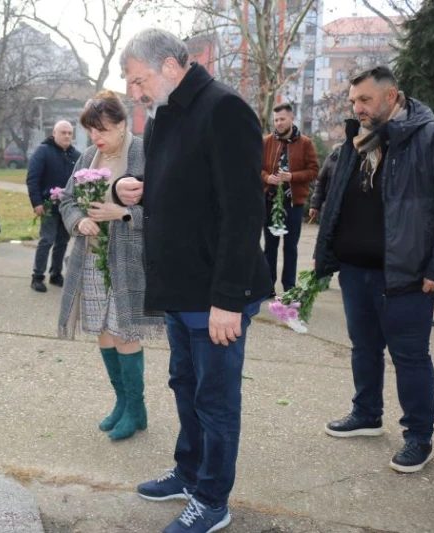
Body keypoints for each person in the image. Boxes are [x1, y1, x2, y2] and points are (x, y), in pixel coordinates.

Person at [114, 29, 271, 533]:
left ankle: (212, 499)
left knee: (215, 400)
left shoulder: (224, 109)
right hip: (180, 289)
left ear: (170, 67)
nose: (134, 93)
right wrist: (131, 189)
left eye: (138, 80)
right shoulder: (163, 117)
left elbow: (244, 212)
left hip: (216, 294)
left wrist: (229, 299)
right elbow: (176, 189)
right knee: (185, 385)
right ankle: (189, 472)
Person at [314, 66, 434, 474]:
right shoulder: (355, 144)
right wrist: (329, 257)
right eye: (353, 101)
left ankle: (418, 437)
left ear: (392, 97)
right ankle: (367, 414)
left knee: (410, 357)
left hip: (409, 277)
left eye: (365, 100)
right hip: (356, 272)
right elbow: (336, 201)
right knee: (364, 348)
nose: (357, 109)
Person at [58, 91, 164, 442]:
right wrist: (79, 222)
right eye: (90, 130)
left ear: (121, 124)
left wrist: (121, 214)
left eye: (101, 129)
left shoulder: (143, 153)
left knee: (124, 332)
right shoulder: (90, 156)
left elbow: (164, 207)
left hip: (129, 260)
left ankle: (137, 408)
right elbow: (69, 199)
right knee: (103, 332)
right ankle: (122, 403)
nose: (95, 137)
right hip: (92, 258)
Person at [261, 103, 319, 294]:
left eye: (282, 119)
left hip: (294, 203)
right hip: (270, 201)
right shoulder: (266, 141)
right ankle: (268, 286)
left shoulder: (306, 143)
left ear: (292, 118)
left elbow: (313, 171)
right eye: (276, 120)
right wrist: (267, 177)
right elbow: (255, 167)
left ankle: (289, 286)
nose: (278, 123)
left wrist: (293, 177)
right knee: (270, 246)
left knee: (290, 247)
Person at [26, 120, 81, 292]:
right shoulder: (43, 152)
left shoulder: (76, 155)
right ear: (54, 133)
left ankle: (56, 273)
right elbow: (32, 179)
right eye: (63, 132)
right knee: (47, 240)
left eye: (69, 133)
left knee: (63, 242)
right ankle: (37, 276)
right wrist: (37, 203)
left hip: (68, 206)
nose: (66, 136)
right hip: (48, 205)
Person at [308, 143, 342, 222]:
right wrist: (315, 206)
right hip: (329, 208)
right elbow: (321, 183)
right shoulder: (332, 158)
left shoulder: (360, 158)